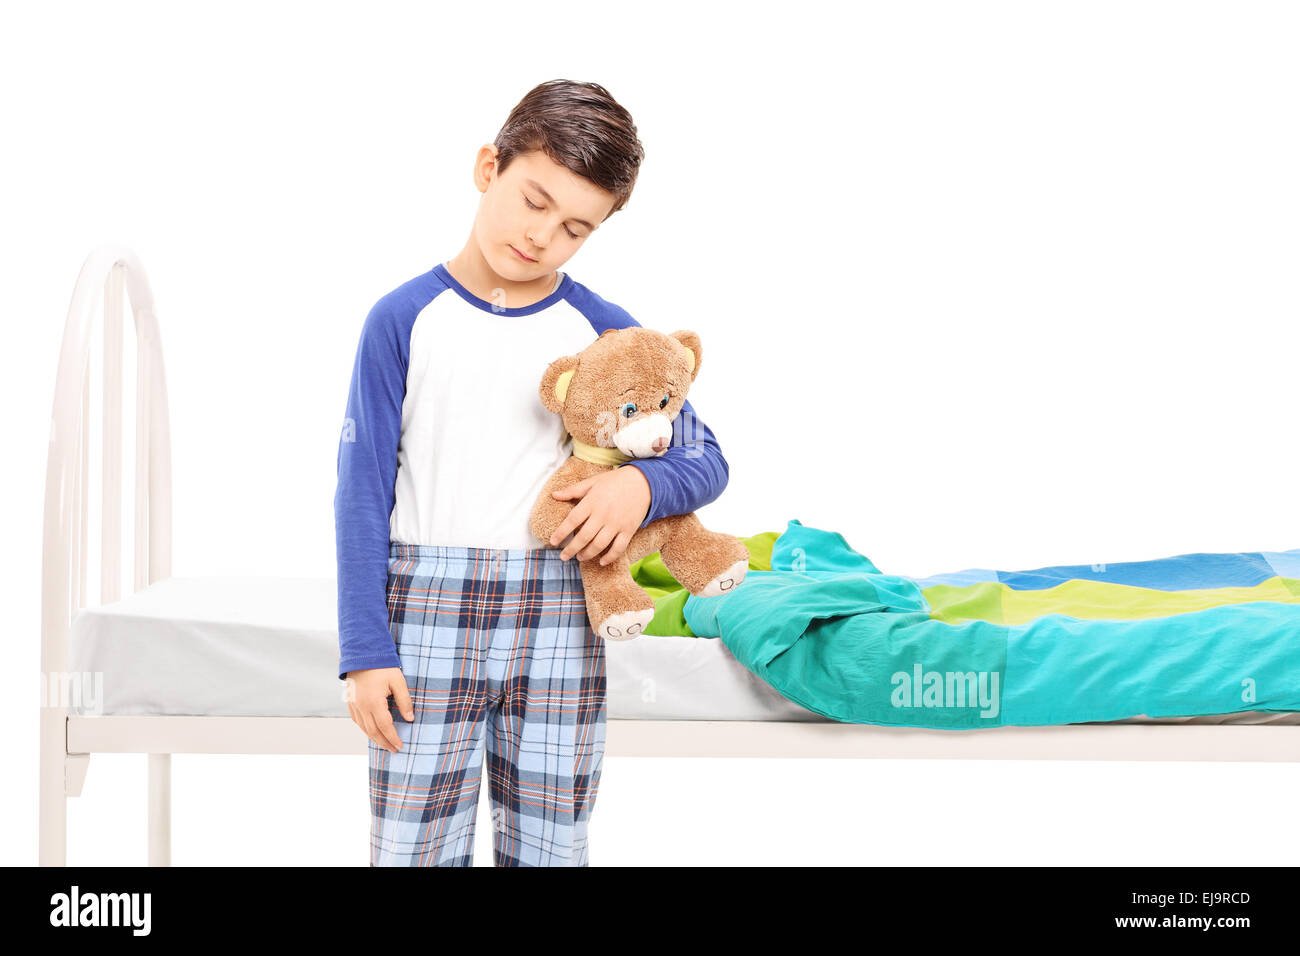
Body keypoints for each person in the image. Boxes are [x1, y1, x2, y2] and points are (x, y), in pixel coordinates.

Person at [333, 79, 731, 866]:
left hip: (559, 615)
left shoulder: (604, 331)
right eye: (532, 200)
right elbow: (361, 489)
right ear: (489, 168)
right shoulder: (402, 319)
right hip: (426, 614)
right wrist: (364, 647)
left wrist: (639, 485)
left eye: (575, 226)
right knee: (413, 846)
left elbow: (706, 457)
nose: (542, 234)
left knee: (552, 843)